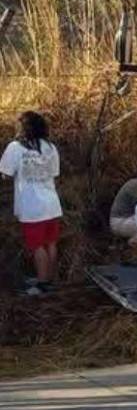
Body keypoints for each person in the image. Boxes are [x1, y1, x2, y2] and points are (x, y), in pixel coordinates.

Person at [0, 111, 63, 296]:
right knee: (51, 243)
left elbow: (5, 173)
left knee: (37, 246)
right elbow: (54, 173)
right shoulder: (50, 147)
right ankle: (49, 280)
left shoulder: (15, 147)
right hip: (52, 203)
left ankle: (42, 285)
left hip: (32, 206)